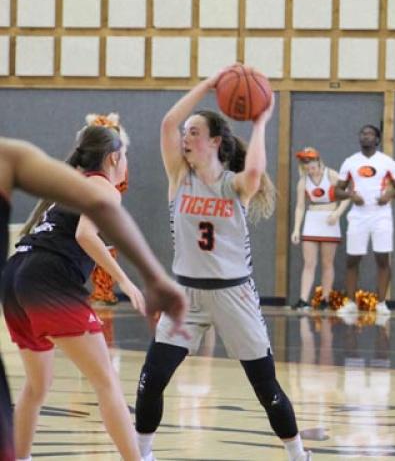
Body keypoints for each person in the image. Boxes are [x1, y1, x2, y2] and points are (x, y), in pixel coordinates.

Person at [134, 69, 312, 461]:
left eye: (194, 132)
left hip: (233, 295)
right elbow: (168, 123)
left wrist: (262, 120)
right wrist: (208, 84)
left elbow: (254, 172)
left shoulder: (234, 186)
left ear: (215, 142)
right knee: (152, 380)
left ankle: (299, 454)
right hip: (185, 296)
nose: (185, 137)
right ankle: (141, 456)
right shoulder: (180, 176)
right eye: (187, 133)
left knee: (265, 388)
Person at [0, 116, 186, 461]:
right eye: (125, 155)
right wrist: (127, 280)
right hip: (48, 280)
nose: (126, 163)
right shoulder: (102, 186)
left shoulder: (69, 186)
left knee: (37, 386)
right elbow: (85, 234)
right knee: (106, 382)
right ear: (114, 158)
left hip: (15, 277)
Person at [334, 125, 395, 317]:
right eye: (362, 134)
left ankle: (381, 303)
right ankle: (350, 303)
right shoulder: (350, 162)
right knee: (352, 259)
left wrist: (389, 195)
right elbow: (337, 191)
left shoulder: (387, 162)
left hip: (381, 215)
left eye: (370, 134)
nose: (365, 136)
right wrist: (351, 195)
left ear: (377, 139)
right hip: (358, 215)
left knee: (382, 258)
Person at [290, 148, 349, 310]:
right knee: (309, 263)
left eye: (312, 166)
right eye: (306, 167)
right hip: (311, 220)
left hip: (329, 220)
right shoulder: (303, 181)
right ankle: (303, 300)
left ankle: (326, 299)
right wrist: (296, 229)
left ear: (318, 161)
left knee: (327, 263)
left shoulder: (332, 175)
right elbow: (300, 207)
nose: (310, 170)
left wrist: (337, 213)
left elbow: (347, 195)